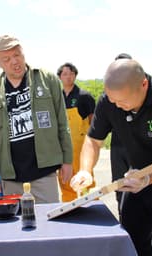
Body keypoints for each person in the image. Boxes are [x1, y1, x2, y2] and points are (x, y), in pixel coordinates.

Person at [70, 59, 152, 255]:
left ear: (143, 85)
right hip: (133, 183)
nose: (118, 106)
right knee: (132, 244)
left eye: (123, 101)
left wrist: (148, 178)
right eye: (114, 101)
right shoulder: (109, 101)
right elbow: (93, 141)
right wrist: (85, 170)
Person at [0, 34, 73, 204]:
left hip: (44, 172)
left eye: (17, 55)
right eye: (6, 59)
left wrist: (67, 160)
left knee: (49, 223)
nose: (14, 62)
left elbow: (62, 122)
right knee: (16, 227)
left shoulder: (47, 80)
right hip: (11, 177)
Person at [57, 62, 96, 202]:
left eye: (71, 73)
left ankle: (90, 209)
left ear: (75, 75)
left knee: (84, 180)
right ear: (60, 77)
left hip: (81, 147)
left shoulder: (84, 96)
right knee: (65, 181)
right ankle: (68, 209)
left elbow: (94, 121)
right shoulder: (57, 97)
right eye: (65, 74)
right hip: (63, 148)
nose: (68, 77)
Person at [110, 53, 133, 215]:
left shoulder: (139, 92)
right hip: (117, 147)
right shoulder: (109, 95)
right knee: (120, 186)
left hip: (137, 148)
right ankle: (123, 216)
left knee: (139, 186)